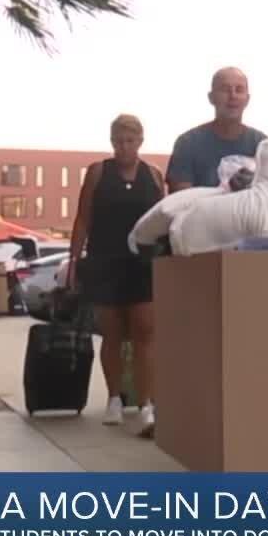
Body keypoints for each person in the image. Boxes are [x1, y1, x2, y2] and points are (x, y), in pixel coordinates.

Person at [67, 114, 163, 436]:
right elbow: (83, 218)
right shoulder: (97, 173)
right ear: (112, 142)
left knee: (144, 332)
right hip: (104, 260)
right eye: (118, 141)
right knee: (111, 332)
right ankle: (114, 399)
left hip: (141, 263)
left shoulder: (153, 175)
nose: (124, 147)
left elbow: (162, 221)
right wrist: (73, 260)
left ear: (140, 142)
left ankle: (147, 402)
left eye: (130, 141)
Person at [166, 67, 268, 191]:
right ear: (211, 97)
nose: (233, 96)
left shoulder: (264, 146)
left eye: (239, 90)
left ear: (247, 99)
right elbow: (181, 202)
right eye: (225, 89)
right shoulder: (187, 144)